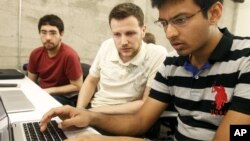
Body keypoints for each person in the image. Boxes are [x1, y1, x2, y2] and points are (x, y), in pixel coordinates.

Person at [40, 0, 250, 141]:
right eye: (164, 23)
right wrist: (89, 117)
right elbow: (139, 121)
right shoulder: (172, 64)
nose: (170, 33)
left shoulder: (246, 59)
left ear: (214, 13)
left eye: (181, 20)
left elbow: (238, 135)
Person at [76, 3, 167, 114]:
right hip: (94, 110)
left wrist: (92, 113)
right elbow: (91, 80)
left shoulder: (156, 54)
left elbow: (146, 102)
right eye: (117, 34)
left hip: (125, 118)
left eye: (130, 33)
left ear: (143, 31)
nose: (123, 42)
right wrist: (79, 110)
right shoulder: (107, 45)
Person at [28, 14, 83, 106]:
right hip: (42, 94)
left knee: (40, 104)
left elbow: (78, 86)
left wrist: (49, 90)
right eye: (44, 32)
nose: (48, 38)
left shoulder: (70, 55)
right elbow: (30, 83)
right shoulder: (35, 54)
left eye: (53, 33)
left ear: (61, 34)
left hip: (65, 97)